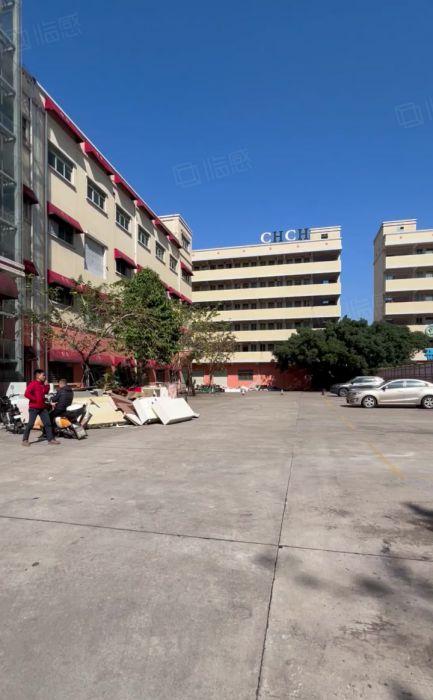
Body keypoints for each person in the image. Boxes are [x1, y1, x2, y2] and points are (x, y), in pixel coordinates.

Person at [22, 369, 60, 446]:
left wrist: (47, 385)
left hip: (42, 407)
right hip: (34, 408)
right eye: (43, 375)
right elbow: (26, 394)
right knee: (30, 424)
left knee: (48, 423)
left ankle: (51, 439)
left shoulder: (42, 384)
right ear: (38, 376)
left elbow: (45, 392)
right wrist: (36, 400)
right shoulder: (33, 384)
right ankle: (25, 440)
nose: (44, 377)